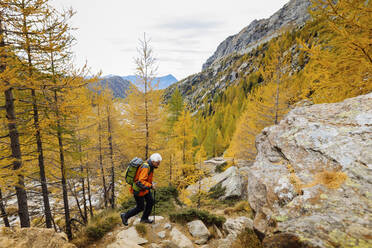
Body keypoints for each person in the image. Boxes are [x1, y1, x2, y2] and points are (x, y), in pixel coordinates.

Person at [121, 153, 162, 226]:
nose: (158, 164)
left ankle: (144, 219)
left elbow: (145, 178)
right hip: (138, 190)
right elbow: (140, 181)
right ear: (153, 161)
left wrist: (151, 183)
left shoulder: (150, 166)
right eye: (158, 163)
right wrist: (151, 186)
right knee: (140, 207)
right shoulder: (146, 167)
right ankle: (125, 216)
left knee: (150, 202)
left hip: (144, 189)